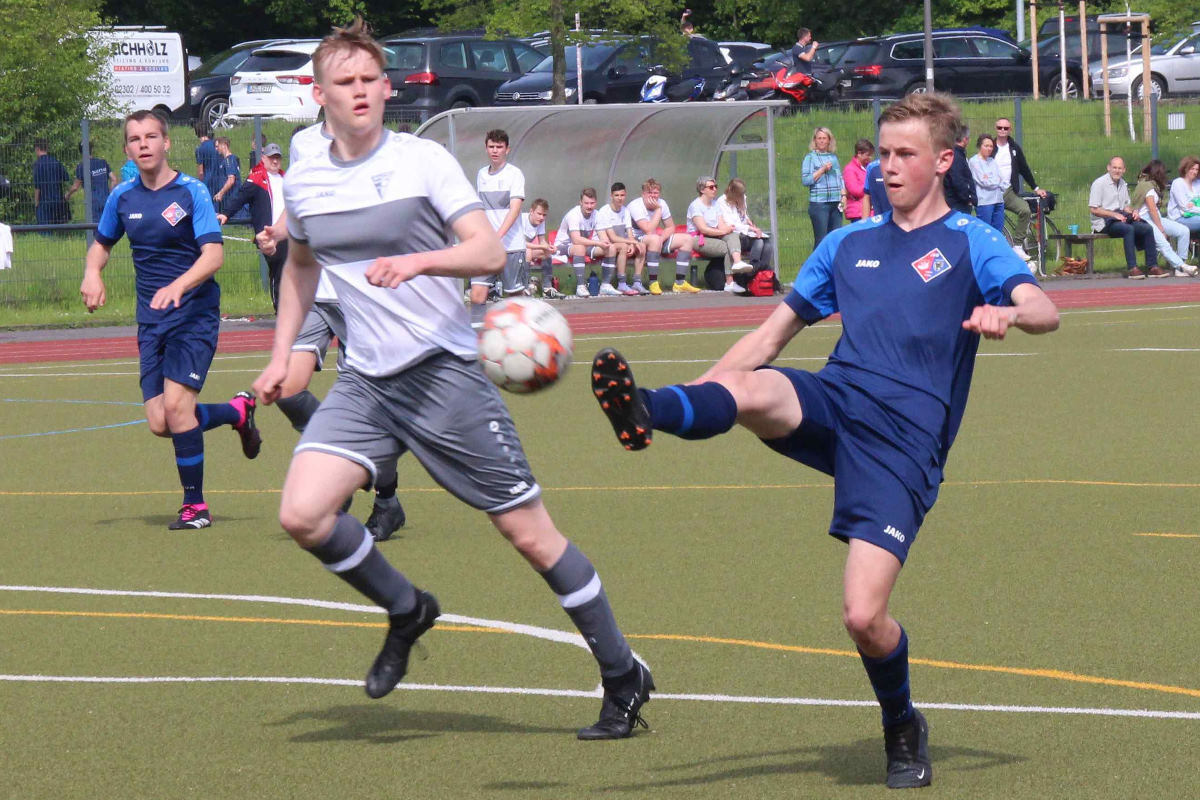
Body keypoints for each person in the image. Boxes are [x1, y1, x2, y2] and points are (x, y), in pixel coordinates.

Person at [589, 91, 1059, 788]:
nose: (888, 168)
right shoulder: (847, 243)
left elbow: (1046, 310)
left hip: (904, 444)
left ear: (942, 161)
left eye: (905, 155)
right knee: (758, 385)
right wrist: (690, 396)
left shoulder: (972, 241)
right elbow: (767, 337)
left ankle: (902, 722)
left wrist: (1007, 314)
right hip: (838, 399)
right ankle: (648, 410)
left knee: (864, 617)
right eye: (885, 154)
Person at [250, 18, 652, 738]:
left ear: (386, 85)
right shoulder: (305, 178)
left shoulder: (421, 162)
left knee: (530, 536)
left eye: (372, 79)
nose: (363, 91)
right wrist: (284, 353)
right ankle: (408, 609)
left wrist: (417, 263)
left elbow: (487, 255)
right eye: (347, 82)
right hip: (367, 383)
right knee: (303, 515)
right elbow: (301, 268)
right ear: (320, 94)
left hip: (443, 374)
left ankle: (623, 674)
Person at [80, 110, 262, 531]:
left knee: (179, 408)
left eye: (150, 137)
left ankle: (195, 506)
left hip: (194, 315)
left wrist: (181, 285)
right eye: (134, 139)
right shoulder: (122, 197)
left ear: (167, 144)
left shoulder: (191, 191)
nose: (142, 144)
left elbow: (213, 256)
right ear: (127, 149)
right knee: (161, 422)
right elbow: (101, 244)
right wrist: (93, 273)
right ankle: (237, 411)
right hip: (152, 320)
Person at [218, 142, 288, 308]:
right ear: (263, 158)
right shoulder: (257, 178)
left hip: (288, 234)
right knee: (279, 272)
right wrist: (226, 214)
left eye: (277, 158)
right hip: (268, 235)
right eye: (272, 158)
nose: (275, 161)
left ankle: (292, 311)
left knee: (290, 273)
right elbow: (240, 197)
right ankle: (280, 309)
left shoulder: (287, 179)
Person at [470, 129, 526, 325]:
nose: (495, 150)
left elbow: (515, 209)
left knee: (514, 298)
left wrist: (498, 235)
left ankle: (521, 338)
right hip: (487, 247)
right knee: (477, 294)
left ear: (507, 149)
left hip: (511, 245)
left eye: (499, 147)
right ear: (486, 148)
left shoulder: (515, 174)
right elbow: (481, 209)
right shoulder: (480, 175)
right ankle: (476, 345)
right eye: (491, 146)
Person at [1088, 156, 1163, 279]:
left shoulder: (1123, 183)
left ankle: (1152, 266)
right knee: (1128, 229)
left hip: (1121, 219)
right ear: (1108, 168)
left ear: (1124, 170)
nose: (1117, 171)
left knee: (1147, 228)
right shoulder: (1099, 183)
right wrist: (1113, 214)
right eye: (1114, 168)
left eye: (1120, 168)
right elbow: (1093, 209)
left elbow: (1126, 206)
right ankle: (1132, 268)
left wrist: (1134, 212)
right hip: (1103, 222)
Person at [627, 178, 699, 294]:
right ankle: (653, 283)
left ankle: (680, 283)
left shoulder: (662, 203)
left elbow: (670, 227)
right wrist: (658, 210)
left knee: (687, 239)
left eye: (655, 193)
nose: (653, 196)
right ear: (643, 194)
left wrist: (662, 239)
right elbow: (648, 229)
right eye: (649, 192)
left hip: (655, 239)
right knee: (654, 239)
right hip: (636, 239)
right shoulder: (636, 205)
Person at [993, 117, 1047, 262]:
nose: (1002, 131)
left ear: (1010, 130)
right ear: (995, 128)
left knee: (1025, 210)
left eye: (1005, 128)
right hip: (991, 192)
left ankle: (1017, 246)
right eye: (1000, 128)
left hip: (1008, 190)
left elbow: (1024, 168)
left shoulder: (1014, 148)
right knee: (991, 222)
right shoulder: (990, 146)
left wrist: (1035, 188)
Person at [1132, 159, 1195, 277]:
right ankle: (1181, 266)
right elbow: (1152, 210)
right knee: (1163, 242)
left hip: (1156, 217)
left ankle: (1181, 265)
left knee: (1183, 231)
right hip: (1145, 219)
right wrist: (1161, 229)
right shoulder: (1147, 187)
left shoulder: (1153, 185)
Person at [553, 187, 617, 298]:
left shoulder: (597, 214)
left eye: (592, 203)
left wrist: (605, 243)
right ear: (580, 202)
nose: (589, 206)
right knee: (579, 247)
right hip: (563, 246)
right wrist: (598, 243)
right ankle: (580, 286)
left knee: (611, 248)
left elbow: (603, 237)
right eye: (586, 203)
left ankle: (605, 286)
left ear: (596, 202)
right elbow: (576, 239)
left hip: (584, 245)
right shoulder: (573, 214)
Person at [687, 175, 746, 293]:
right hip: (698, 239)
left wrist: (729, 228)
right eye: (711, 187)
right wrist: (723, 231)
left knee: (733, 235)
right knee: (726, 247)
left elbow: (721, 225)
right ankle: (729, 282)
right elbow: (703, 229)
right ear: (702, 189)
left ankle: (738, 263)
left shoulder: (715, 204)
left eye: (716, 187)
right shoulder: (696, 205)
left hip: (714, 235)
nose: (715, 189)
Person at [597, 182, 648, 295]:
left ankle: (637, 282)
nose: (620, 198)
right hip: (607, 245)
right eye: (617, 195)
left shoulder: (626, 211)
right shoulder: (604, 211)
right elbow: (613, 238)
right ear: (611, 196)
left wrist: (632, 244)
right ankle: (622, 284)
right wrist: (630, 242)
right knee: (624, 246)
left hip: (621, 243)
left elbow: (630, 234)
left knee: (642, 246)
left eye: (622, 195)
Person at [802, 127, 844, 248]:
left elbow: (839, 177)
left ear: (829, 141)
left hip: (835, 202)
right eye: (819, 138)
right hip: (819, 204)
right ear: (815, 140)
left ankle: (833, 266)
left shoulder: (833, 157)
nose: (821, 141)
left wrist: (843, 195)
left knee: (835, 238)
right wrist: (822, 170)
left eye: (824, 138)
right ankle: (818, 266)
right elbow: (806, 180)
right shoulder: (810, 158)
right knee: (821, 240)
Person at [715, 178, 768, 273]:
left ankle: (763, 273)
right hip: (735, 235)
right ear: (732, 190)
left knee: (768, 244)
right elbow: (730, 223)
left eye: (742, 194)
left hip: (746, 233)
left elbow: (743, 216)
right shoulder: (722, 202)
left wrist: (749, 221)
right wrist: (749, 228)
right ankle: (752, 272)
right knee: (759, 242)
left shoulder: (742, 198)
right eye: (739, 195)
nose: (741, 197)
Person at [65, 142, 118, 223]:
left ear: (80, 152)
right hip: (106, 199)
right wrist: (110, 194)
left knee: (95, 228)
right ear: (91, 150)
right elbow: (114, 179)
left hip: (93, 202)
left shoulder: (82, 166)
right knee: (107, 225)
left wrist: (67, 194)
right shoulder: (102, 162)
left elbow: (75, 187)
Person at [522, 198, 559, 296]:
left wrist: (549, 247)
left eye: (544, 215)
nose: (542, 217)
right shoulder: (521, 219)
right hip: (510, 252)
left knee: (546, 252)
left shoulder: (541, 222)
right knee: (528, 252)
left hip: (524, 251)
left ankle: (546, 287)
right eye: (539, 214)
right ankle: (524, 287)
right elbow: (521, 243)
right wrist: (540, 246)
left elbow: (542, 241)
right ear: (531, 211)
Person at [968, 134, 1003, 232]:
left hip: (998, 200)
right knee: (985, 231)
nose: (989, 149)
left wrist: (992, 179)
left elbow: (1001, 178)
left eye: (991, 146)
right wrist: (995, 180)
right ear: (980, 146)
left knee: (997, 231)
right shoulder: (974, 162)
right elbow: (984, 182)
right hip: (985, 202)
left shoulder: (992, 161)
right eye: (986, 146)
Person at [32, 140, 70, 226]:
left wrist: (36, 202)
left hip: (44, 201)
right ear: (47, 148)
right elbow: (66, 178)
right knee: (58, 229)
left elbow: (37, 187)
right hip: (58, 199)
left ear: (37, 149)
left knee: (44, 229)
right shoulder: (56, 162)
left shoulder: (37, 164)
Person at [944, 126, 977, 216]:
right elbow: (957, 179)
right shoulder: (956, 156)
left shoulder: (959, 154)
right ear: (965, 139)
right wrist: (968, 198)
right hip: (957, 204)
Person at [1166, 156, 1200, 240]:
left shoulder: (1197, 183)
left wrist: (1193, 206)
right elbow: (1185, 208)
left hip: (1195, 215)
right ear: (1185, 169)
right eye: (1192, 169)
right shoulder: (1178, 183)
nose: (1195, 172)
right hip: (1179, 218)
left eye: (1197, 169)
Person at [844, 139, 874, 223]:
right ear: (859, 153)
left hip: (871, 212)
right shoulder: (850, 169)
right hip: (858, 213)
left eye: (871, 155)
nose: (870, 158)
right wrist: (871, 185)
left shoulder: (869, 167)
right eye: (868, 155)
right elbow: (855, 190)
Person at [211, 137, 241, 214]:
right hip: (228, 198)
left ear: (224, 145)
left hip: (231, 198)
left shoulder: (229, 160)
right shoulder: (226, 160)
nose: (216, 149)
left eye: (217, 146)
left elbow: (231, 180)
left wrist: (221, 193)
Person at [194, 125, 222, 203]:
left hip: (208, 181)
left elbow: (201, 172)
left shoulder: (200, 149)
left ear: (197, 134)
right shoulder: (216, 145)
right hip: (220, 179)